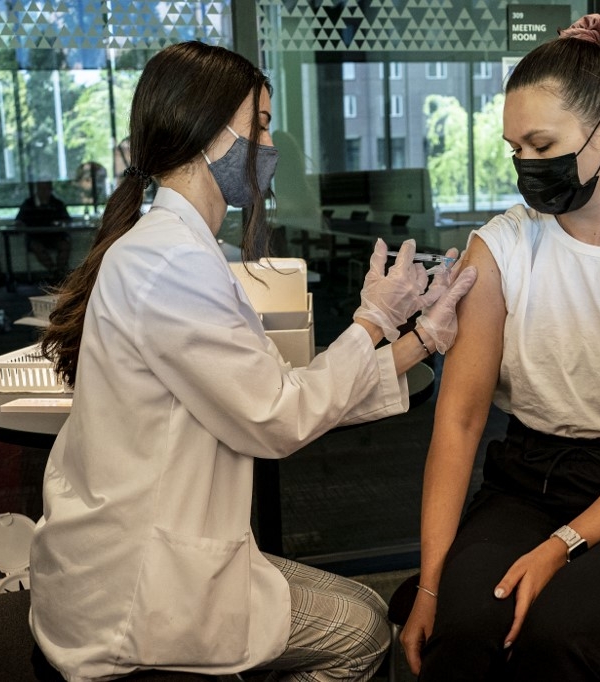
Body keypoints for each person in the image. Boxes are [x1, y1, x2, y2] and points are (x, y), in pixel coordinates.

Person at [30, 41, 476, 682]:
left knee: (361, 605)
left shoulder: (177, 248)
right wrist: (373, 319)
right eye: (261, 125)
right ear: (211, 131)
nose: (270, 145)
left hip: (148, 551)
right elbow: (279, 417)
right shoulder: (172, 263)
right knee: (362, 633)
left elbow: (279, 390)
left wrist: (422, 339)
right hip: (137, 590)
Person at [399, 13, 600, 681]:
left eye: (542, 143)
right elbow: (459, 422)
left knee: (557, 638)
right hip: (526, 480)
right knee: (463, 630)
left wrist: (560, 547)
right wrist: (431, 586)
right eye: (514, 148)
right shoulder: (502, 247)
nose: (526, 164)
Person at [15, 179, 72, 279]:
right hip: (36, 237)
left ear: (50, 190)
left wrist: (60, 223)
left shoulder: (57, 203)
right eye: (41, 189)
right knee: (37, 247)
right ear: (37, 190)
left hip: (55, 236)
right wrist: (21, 225)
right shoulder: (28, 204)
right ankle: (53, 270)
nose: (44, 192)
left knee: (65, 245)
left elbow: (67, 220)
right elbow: (18, 220)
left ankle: (60, 272)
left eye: (46, 189)